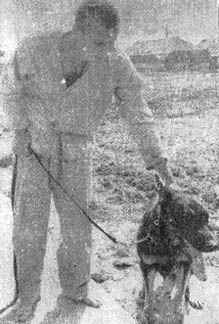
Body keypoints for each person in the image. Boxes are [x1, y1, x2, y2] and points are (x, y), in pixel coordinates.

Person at [0, 0, 172, 322]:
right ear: (75, 31)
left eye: (111, 42)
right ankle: (27, 298)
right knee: (29, 229)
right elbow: (10, 90)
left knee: (78, 231)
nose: (105, 51)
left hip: (78, 154)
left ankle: (76, 292)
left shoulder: (116, 62)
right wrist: (19, 127)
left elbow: (136, 109)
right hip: (34, 149)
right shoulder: (35, 48)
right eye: (97, 43)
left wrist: (156, 157)